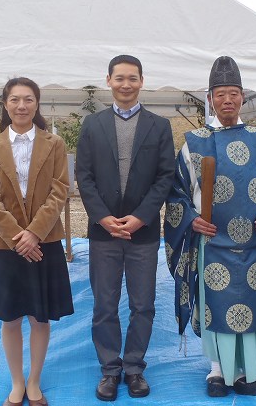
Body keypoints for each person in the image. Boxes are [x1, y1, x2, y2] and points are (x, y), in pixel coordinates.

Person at [164, 56, 256, 397]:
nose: (227, 100)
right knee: (215, 306)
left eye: (234, 93)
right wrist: (191, 219)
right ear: (210, 99)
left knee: (254, 308)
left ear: (243, 97)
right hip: (212, 244)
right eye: (220, 94)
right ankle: (217, 370)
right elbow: (177, 192)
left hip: (255, 244)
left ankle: (248, 372)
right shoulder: (194, 142)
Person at [76, 55, 175, 401]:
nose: (126, 84)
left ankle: (134, 368)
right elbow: (84, 175)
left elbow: (165, 177)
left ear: (142, 82)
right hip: (103, 232)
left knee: (142, 304)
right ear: (108, 81)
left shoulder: (159, 126)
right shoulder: (92, 124)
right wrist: (102, 217)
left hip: (142, 232)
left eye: (132, 78)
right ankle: (109, 369)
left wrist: (142, 216)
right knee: (104, 305)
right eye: (119, 78)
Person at [0, 77, 73, 406]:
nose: (22, 106)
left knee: (39, 316)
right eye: (15, 100)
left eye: (28, 99)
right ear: (5, 105)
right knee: (11, 317)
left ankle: (34, 381)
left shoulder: (54, 144)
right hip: (6, 245)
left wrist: (35, 233)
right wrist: (19, 237)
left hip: (44, 242)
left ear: (37, 104)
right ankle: (17, 382)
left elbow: (60, 190)